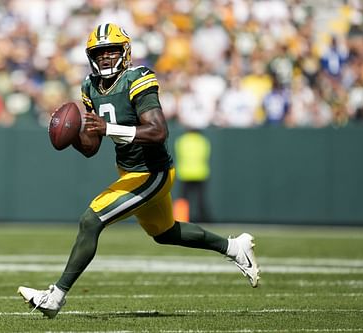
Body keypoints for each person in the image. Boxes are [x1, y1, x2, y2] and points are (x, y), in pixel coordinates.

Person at [18, 23, 260, 319]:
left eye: (112, 51)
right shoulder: (89, 87)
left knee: (91, 220)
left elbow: (158, 131)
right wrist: (71, 136)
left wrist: (110, 128)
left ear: (125, 52)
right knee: (165, 232)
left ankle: (55, 297)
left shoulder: (138, 78)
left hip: (152, 172)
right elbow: (92, 146)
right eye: (100, 52)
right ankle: (234, 247)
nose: (106, 57)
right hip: (131, 172)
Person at [174, 129, 212, 222]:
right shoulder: (203, 140)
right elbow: (206, 155)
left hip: (185, 173)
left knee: (183, 199)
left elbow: (178, 154)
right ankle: (203, 219)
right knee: (200, 199)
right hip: (200, 173)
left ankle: (181, 219)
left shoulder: (181, 140)